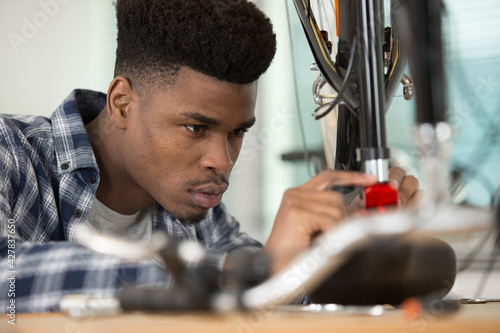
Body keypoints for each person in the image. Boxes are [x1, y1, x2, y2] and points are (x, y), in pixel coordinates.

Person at [0, 0, 419, 313]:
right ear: (123, 103)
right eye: (195, 128)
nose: (221, 161)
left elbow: (282, 295)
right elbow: (7, 276)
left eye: (237, 132)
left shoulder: (194, 208)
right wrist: (255, 273)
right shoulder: (11, 151)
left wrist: (346, 250)